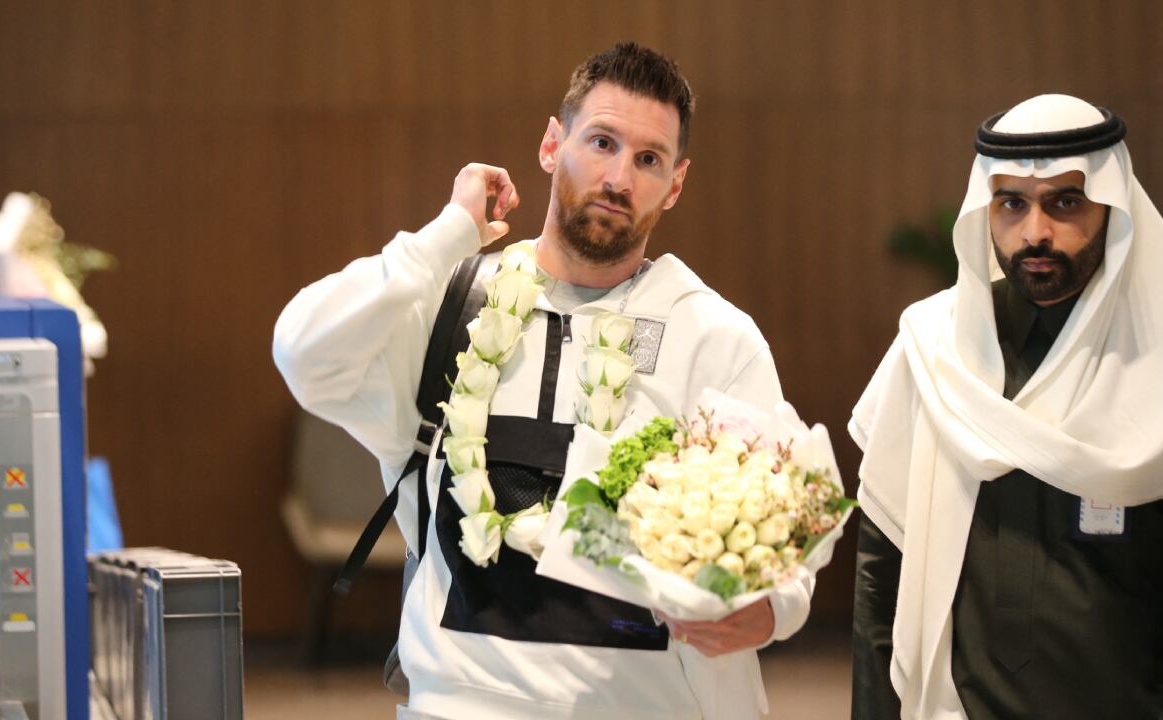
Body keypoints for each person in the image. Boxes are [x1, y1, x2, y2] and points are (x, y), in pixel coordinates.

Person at [274, 43, 812, 720]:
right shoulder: (450, 303)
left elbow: (783, 553)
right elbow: (302, 351)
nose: (619, 177)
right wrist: (446, 237)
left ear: (675, 184)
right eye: (601, 142)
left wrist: (768, 614)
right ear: (551, 146)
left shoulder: (716, 339)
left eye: (648, 160)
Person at [850, 93, 1163, 719]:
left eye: (1065, 202)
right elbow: (881, 580)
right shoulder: (935, 352)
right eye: (1011, 203)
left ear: (1114, 207)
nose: (1035, 231)